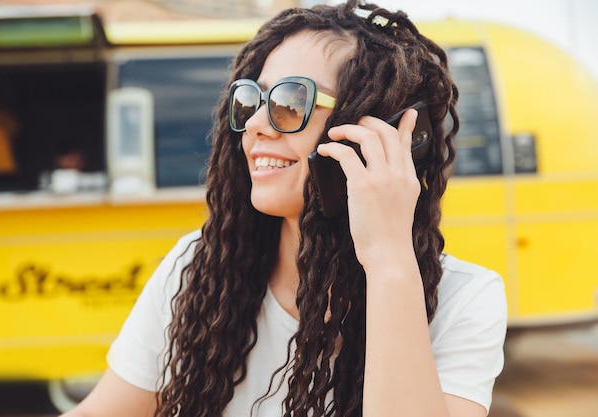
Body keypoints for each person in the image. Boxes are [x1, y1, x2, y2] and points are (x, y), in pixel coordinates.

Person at [63, 1, 507, 416]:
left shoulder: (465, 300)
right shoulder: (198, 271)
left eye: (290, 102)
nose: (255, 125)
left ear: (384, 133)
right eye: (251, 99)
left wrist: (390, 261)